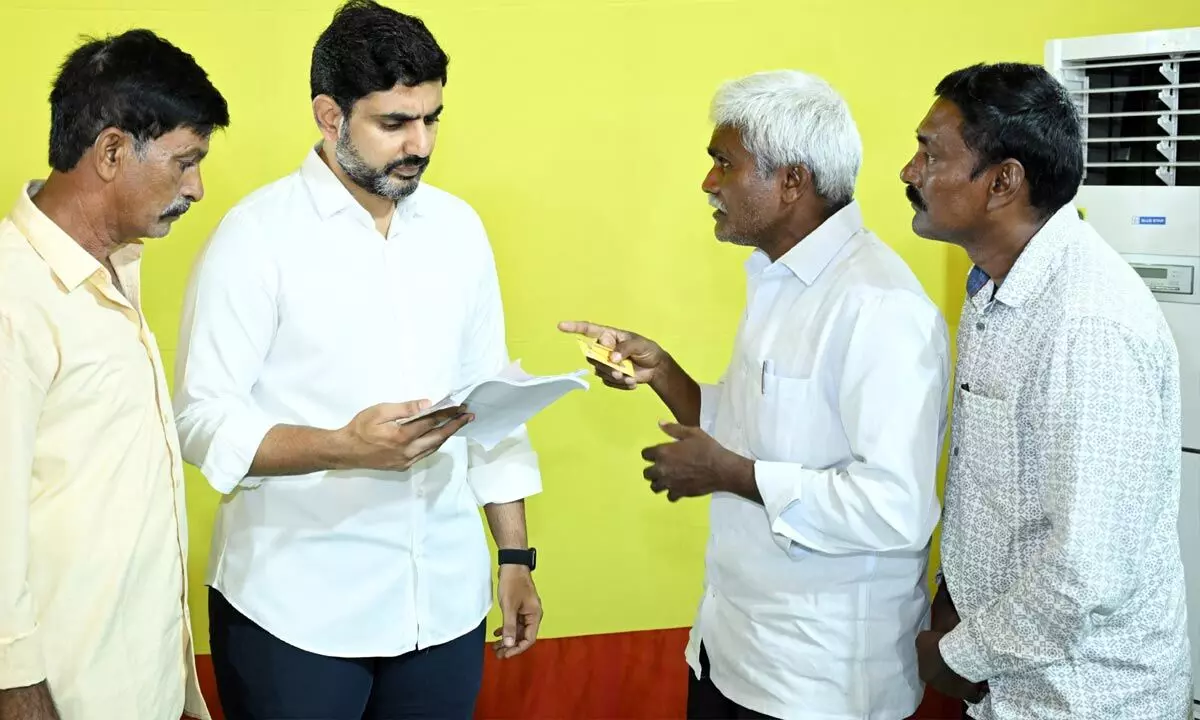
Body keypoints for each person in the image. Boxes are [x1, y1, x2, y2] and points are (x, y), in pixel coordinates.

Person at [172, 2, 543, 718]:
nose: (421, 143)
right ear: (329, 115)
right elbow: (200, 418)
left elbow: (489, 403)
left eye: (432, 118)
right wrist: (342, 448)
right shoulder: (256, 237)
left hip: (443, 602)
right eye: (394, 123)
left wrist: (516, 558)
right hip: (294, 610)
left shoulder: (459, 231)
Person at [561, 70, 950, 719]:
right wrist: (666, 375)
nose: (708, 184)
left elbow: (895, 510)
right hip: (729, 651)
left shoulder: (878, 307)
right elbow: (752, 433)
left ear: (790, 181)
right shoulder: (779, 279)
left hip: (816, 685)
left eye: (723, 164)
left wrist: (732, 475)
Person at [902, 62, 1192, 719]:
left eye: (930, 152)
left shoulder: (1088, 324)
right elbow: (996, 489)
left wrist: (957, 656)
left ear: (1003, 181)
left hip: (1086, 700)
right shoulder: (993, 289)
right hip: (1012, 686)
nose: (909, 171)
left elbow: (1082, 572)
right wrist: (954, 599)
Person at [0, 29, 228, 720]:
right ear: (109, 151)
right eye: (184, 163)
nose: (197, 188)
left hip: (139, 684)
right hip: (64, 696)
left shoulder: (114, 269)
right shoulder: (14, 293)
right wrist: (18, 690)